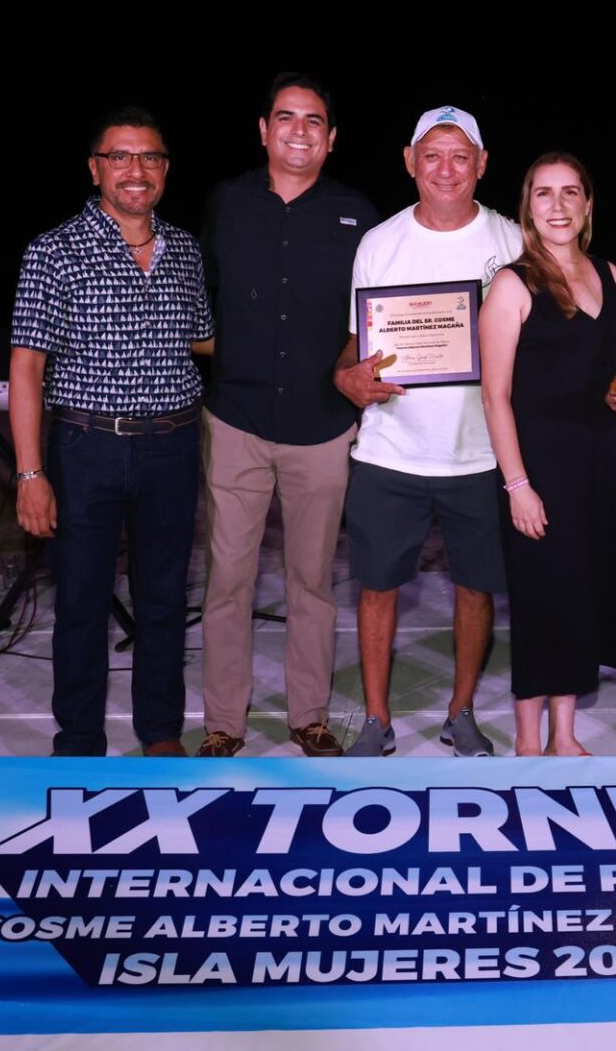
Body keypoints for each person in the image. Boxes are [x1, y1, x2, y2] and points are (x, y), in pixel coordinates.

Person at [9, 106, 213, 757]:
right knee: (81, 601)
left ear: (166, 170)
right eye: (120, 156)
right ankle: (79, 736)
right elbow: (26, 366)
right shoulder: (54, 250)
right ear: (95, 168)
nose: (136, 169)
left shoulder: (184, 250)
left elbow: (203, 339)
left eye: (150, 156)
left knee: (164, 599)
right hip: (86, 447)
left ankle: (160, 731)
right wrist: (30, 473)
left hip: (172, 446)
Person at [198, 73, 378, 758]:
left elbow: (371, 315)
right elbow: (199, 294)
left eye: (313, 121)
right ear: (263, 130)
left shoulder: (358, 215)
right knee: (227, 580)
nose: (299, 131)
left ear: (331, 139)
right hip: (235, 418)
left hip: (322, 425)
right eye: (286, 118)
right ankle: (224, 722)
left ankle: (309, 716)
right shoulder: (228, 202)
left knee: (312, 581)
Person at [334, 106, 523, 756]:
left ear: (482, 164)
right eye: (432, 154)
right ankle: (376, 720)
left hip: (481, 453)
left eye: (460, 155)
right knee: (377, 587)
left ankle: (461, 712)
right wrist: (346, 378)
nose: (446, 169)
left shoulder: (512, 240)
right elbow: (356, 341)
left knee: (476, 588)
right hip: (390, 449)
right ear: (410, 161)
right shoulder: (378, 243)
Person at [481, 152, 616, 756]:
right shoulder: (512, 284)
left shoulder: (612, 275)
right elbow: (495, 396)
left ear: (588, 204)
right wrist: (517, 484)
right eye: (543, 193)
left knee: (583, 594)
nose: (557, 205)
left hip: (600, 461)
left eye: (570, 192)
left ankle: (565, 734)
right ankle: (529, 740)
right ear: (528, 207)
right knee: (543, 598)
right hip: (539, 467)